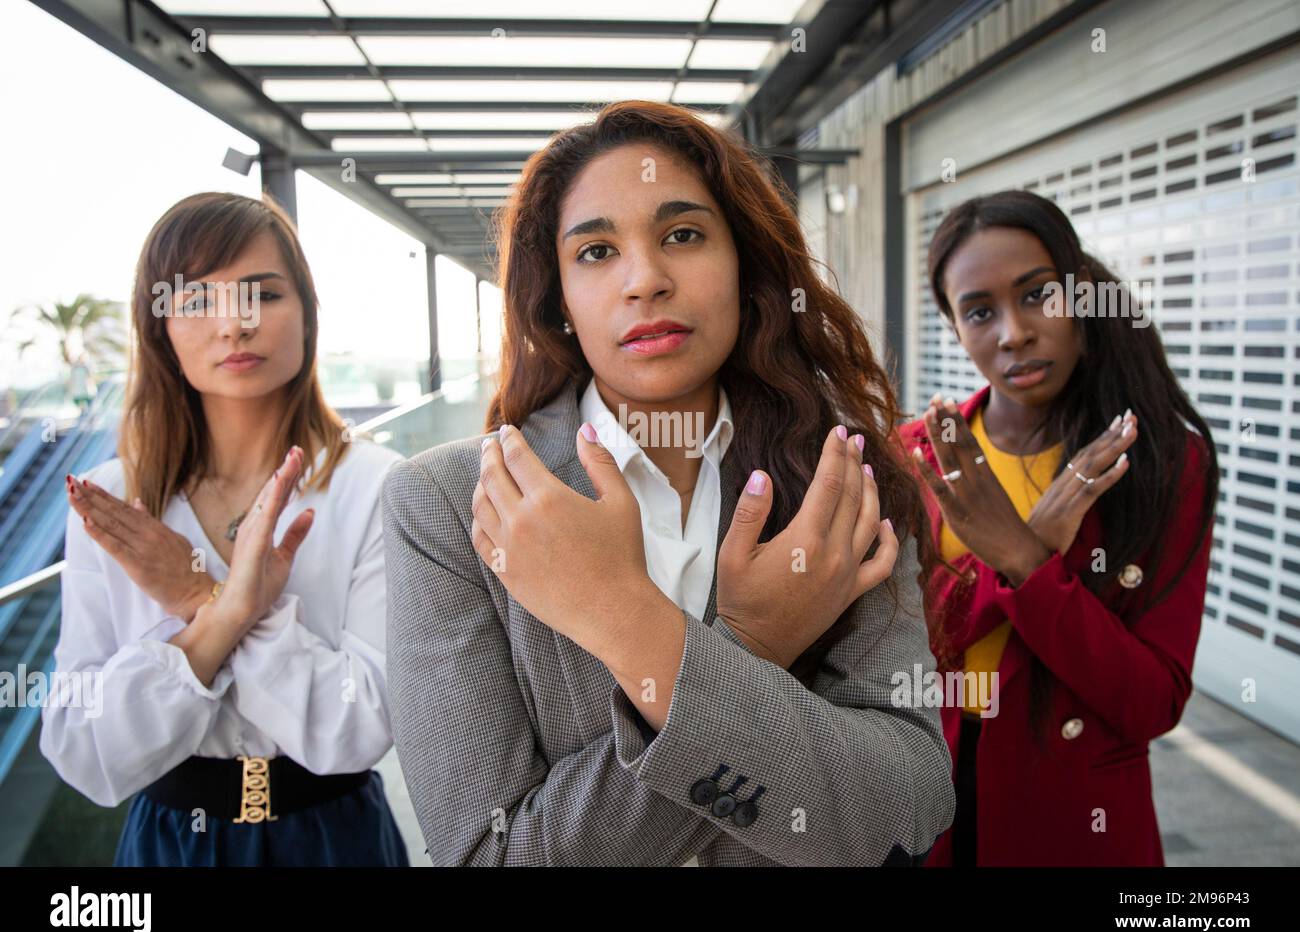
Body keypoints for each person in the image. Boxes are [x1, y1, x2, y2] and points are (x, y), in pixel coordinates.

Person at [382, 100, 955, 866]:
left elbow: (910, 804)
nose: (645, 280)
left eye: (682, 236)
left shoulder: (840, 476)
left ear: (744, 264)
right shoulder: (449, 504)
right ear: (557, 298)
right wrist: (749, 647)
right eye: (595, 252)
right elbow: (491, 856)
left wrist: (640, 634)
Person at [41, 192, 409, 867]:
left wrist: (195, 595)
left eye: (262, 296)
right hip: (168, 844)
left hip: (334, 838)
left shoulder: (380, 486)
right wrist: (224, 611)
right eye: (197, 301)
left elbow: (362, 727)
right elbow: (81, 749)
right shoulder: (113, 500)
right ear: (161, 329)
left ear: (307, 315)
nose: (234, 326)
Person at [900, 189, 1218, 866]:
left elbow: (1152, 701)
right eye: (979, 311)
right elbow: (895, 658)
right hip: (933, 787)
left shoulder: (1162, 461)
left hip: (1075, 810)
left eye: (1038, 295)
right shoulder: (918, 455)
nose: (1012, 333)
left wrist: (1025, 562)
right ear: (954, 327)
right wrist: (1016, 563)